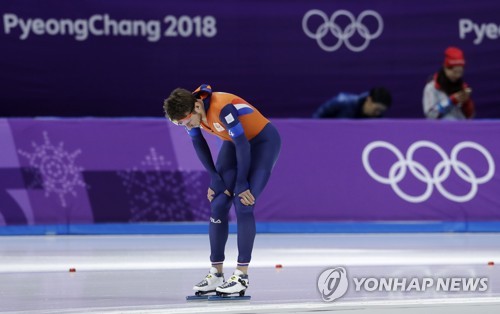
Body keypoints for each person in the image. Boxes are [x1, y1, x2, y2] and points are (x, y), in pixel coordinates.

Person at [163, 84, 281, 297]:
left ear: (197, 106)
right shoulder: (191, 112)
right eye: (181, 124)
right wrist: (215, 178)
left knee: (243, 203)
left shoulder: (222, 108)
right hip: (234, 143)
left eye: (186, 121)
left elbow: (244, 145)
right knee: (217, 204)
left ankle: (241, 275)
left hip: (262, 142)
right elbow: (199, 143)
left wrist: (241, 182)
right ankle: (216, 273)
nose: (186, 126)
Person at [423, 46, 475, 120]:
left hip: (461, 129)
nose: (457, 75)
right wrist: (451, 101)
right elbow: (430, 115)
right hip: (440, 130)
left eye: (460, 72)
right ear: (445, 68)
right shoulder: (431, 87)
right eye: (454, 72)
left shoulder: (462, 87)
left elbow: (470, 117)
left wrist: (466, 103)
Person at [312, 87, 392, 118]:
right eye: (376, 109)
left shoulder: (378, 118)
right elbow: (316, 118)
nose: (378, 113)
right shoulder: (343, 101)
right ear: (369, 99)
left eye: (381, 111)